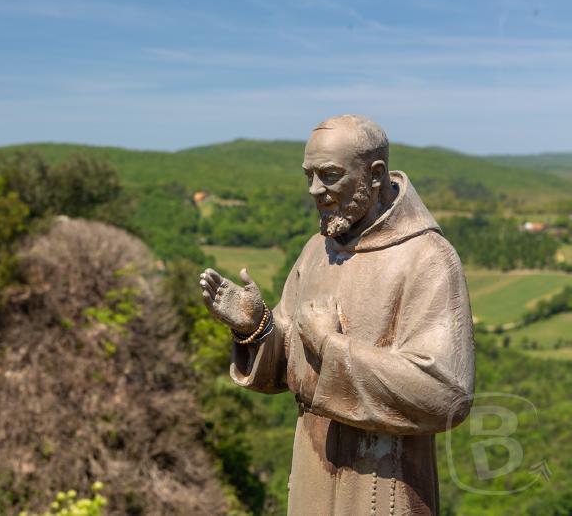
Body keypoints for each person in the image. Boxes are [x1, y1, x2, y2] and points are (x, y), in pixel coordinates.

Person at [199, 114, 475, 515]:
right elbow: (290, 363)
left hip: (385, 485)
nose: (315, 190)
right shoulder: (317, 250)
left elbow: (447, 393)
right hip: (313, 471)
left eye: (329, 175)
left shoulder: (427, 257)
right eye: (309, 175)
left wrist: (332, 347)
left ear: (375, 174)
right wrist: (257, 329)